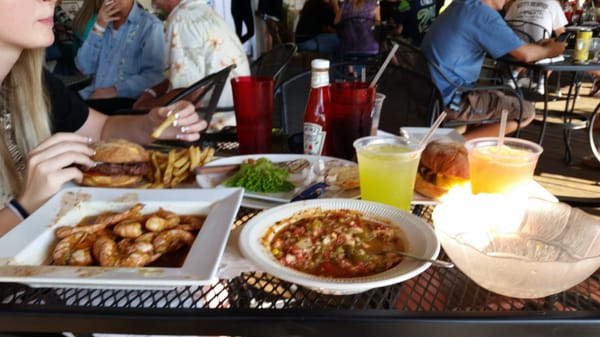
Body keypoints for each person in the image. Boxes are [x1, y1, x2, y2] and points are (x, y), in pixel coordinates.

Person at [0, 0, 206, 238]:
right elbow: (84, 65)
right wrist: (23, 208)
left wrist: (149, 125)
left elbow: (101, 130)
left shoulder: (33, 83)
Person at [421, 0, 567, 139]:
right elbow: (525, 55)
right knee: (525, 111)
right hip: (452, 99)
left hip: (428, 90)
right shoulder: (483, 15)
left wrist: (538, 48)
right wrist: (551, 50)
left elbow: (517, 50)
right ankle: (452, 147)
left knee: (498, 97)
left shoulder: (462, 5)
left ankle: (464, 148)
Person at [137, 0, 251, 131]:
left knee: (130, 127)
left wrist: (146, 106)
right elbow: (186, 80)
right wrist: (151, 92)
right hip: (235, 119)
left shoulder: (182, 19)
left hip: (213, 128)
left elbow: (191, 96)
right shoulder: (198, 12)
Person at [75, 0, 166, 114]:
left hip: (124, 103)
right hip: (91, 96)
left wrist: (115, 91)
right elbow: (84, 67)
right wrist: (99, 26)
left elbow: (155, 76)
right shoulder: (103, 24)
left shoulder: (150, 26)